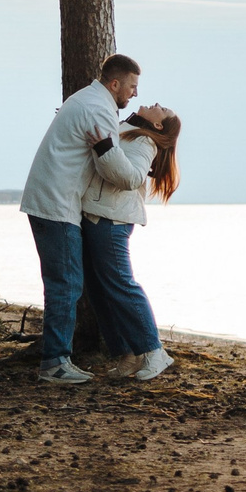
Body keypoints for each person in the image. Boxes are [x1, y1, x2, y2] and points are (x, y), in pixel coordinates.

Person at [19, 53, 141, 384]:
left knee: (67, 282)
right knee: (66, 284)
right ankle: (55, 363)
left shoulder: (88, 100)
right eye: (132, 86)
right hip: (56, 205)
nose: (134, 94)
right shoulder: (97, 107)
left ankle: (57, 358)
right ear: (115, 83)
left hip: (54, 201)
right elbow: (112, 168)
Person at [81, 104, 181, 381]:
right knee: (100, 290)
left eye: (162, 109)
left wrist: (103, 146)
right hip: (97, 216)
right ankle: (128, 355)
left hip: (111, 221)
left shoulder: (144, 141)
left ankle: (153, 351)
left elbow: (132, 177)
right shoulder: (129, 130)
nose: (156, 104)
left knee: (121, 285)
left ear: (158, 126)